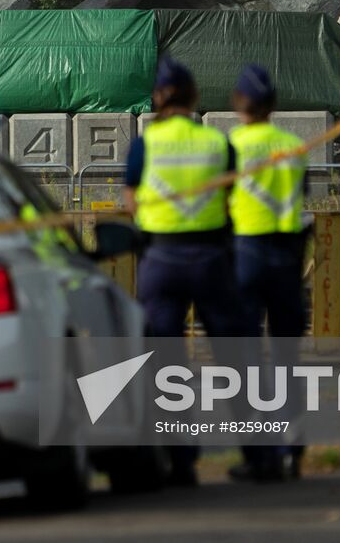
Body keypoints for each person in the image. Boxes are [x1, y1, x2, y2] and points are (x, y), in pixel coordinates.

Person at [125, 57, 239, 486]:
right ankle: (262, 455)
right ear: (194, 98)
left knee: (166, 365)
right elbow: (230, 195)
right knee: (234, 359)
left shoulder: (146, 144)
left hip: (161, 260)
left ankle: (180, 461)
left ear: (157, 98)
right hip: (211, 258)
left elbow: (131, 199)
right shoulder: (216, 141)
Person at [226, 63, 309, 483]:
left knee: (245, 357)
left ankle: (260, 453)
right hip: (288, 256)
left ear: (238, 103)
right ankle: (290, 446)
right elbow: (302, 194)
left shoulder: (231, 145)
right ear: (273, 103)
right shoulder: (292, 145)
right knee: (286, 356)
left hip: (246, 252)